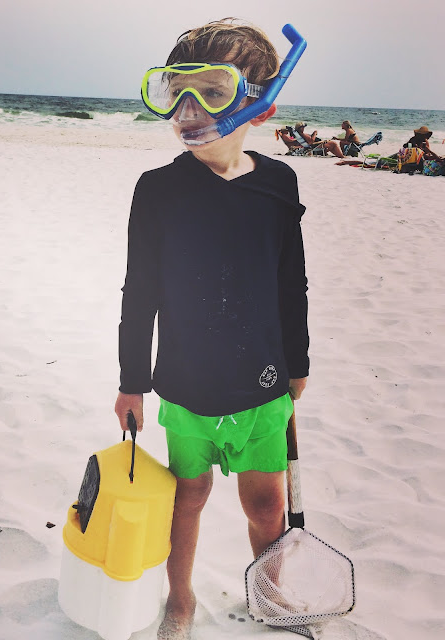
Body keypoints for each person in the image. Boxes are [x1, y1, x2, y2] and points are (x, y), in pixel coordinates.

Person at [114, 18, 309, 640]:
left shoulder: (278, 183)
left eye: (213, 91)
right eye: (177, 92)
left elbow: (291, 283)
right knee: (186, 497)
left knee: (267, 505)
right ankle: (180, 600)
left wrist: (298, 362)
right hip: (185, 385)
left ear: (260, 101)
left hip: (263, 383)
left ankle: (272, 594)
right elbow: (139, 291)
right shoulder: (158, 189)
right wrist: (132, 381)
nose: (189, 110)